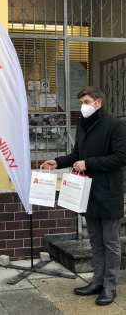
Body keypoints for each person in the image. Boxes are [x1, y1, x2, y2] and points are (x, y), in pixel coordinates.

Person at [42, 86, 126, 306]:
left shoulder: (115, 125)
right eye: (81, 102)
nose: (83, 106)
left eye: (87, 102)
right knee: (95, 241)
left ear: (98, 102)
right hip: (88, 192)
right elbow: (77, 154)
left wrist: (88, 164)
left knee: (110, 243)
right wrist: (59, 162)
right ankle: (96, 282)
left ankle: (110, 286)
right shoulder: (82, 125)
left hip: (108, 193)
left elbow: (120, 157)